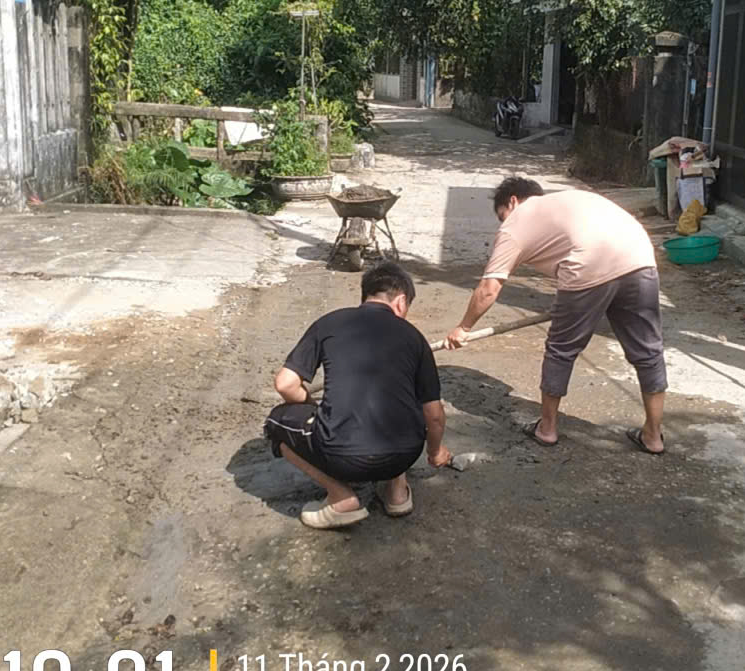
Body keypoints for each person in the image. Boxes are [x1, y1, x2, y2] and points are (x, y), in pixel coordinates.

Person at [445, 177, 667, 454]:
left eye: (502, 216)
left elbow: (489, 288)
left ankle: (547, 429)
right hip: (640, 256)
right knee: (648, 351)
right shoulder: (569, 200)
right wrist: (576, 304)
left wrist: (463, 327)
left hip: (589, 264)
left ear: (513, 201)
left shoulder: (516, 222)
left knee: (561, 350)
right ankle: (653, 436)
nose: (503, 224)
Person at [265, 260, 452, 530]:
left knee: (276, 420)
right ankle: (397, 494)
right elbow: (434, 415)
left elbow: (285, 384)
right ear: (401, 302)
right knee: (401, 399)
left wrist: (313, 408)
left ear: (366, 295)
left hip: (342, 457)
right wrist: (435, 453)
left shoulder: (329, 323)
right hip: (405, 454)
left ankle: (341, 496)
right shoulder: (415, 337)